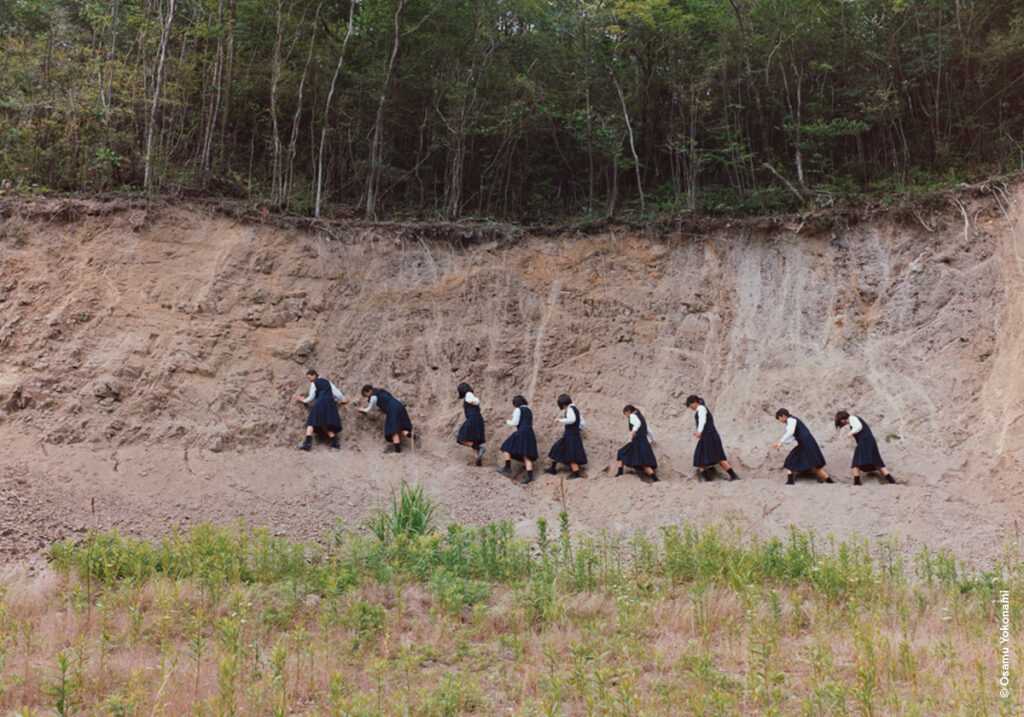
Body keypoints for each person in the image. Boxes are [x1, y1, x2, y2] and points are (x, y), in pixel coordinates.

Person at [835, 410, 897, 485]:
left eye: (840, 422)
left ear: (842, 419)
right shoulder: (852, 420)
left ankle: (857, 483)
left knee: (855, 462)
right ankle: (892, 481)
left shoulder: (852, 418)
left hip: (865, 442)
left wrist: (850, 433)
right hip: (869, 441)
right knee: (877, 462)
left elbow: (859, 427)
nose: (842, 424)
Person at [686, 395, 740, 481]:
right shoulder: (701, 408)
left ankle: (733, 476)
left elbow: (702, 421)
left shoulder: (701, 408)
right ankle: (709, 480)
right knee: (700, 458)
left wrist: (699, 431)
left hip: (710, 436)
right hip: (706, 437)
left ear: (694, 402)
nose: (690, 407)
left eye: (690, 405)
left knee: (717, 457)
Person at [773, 408, 832, 485]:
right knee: (810, 463)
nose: (780, 421)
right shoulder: (792, 420)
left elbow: (790, 432)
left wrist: (780, 442)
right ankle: (829, 481)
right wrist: (781, 443)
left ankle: (829, 481)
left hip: (806, 444)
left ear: (783, 416)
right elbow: (793, 436)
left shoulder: (791, 420)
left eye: (779, 418)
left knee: (794, 460)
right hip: (806, 444)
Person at [295, 369, 346, 450]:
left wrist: (303, 400)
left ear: (314, 375)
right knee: (325, 423)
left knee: (311, 422)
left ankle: (307, 444)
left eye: (309, 378)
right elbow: (336, 392)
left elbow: (311, 396)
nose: (310, 380)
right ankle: (335, 443)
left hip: (320, 403)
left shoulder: (314, 382)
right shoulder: (327, 381)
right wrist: (343, 399)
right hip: (330, 405)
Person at [359, 385, 414, 453]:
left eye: (366, 395)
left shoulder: (373, 397)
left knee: (393, 431)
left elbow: (368, 409)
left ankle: (398, 451)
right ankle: (412, 435)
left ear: (369, 391)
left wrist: (362, 409)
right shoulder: (382, 391)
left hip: (392, 410)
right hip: (400, 406)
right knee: (400, 427)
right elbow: (391, 398)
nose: (367, 397)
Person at [497, 395, 539, 483]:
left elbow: (515, 422)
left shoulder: (518, 410)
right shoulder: (529, 410)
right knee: (526, 455)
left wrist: (507, 421)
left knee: (506, 447)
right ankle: (530, 477)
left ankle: (507, 467)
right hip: (530, 433)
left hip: (521, 432)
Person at [546, 393, 588, 480]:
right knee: (558, 448)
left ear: (563, 404)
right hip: (573, 435)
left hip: (570, 435)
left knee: (570, 455)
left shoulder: (570, 409)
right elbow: (582, 423)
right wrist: (577, 429)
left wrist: (560, 420)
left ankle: (576, 473)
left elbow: (572, 420)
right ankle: (552, 468)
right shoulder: (575, 408)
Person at [614, 404, 659, 482]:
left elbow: (637, 424)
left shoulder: (632, 416)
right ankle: (655, 479)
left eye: (625, 414)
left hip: (637, 442)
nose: (626, 416)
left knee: (621, 453)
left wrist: (633, 432)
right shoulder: (641, 417)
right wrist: (652, 439)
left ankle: (620, 473)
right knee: (644, 463)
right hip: (644, 442)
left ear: (628, 411)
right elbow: (649, 430)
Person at [456, 383, 487, 466]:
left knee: (460, 438)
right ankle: (477, 459)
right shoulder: (469, 395)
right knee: (474, 440)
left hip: (473, 419)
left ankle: (480, 448)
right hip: (478, 419)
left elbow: (475, 401)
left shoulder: (468, 394)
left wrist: (473, 401)